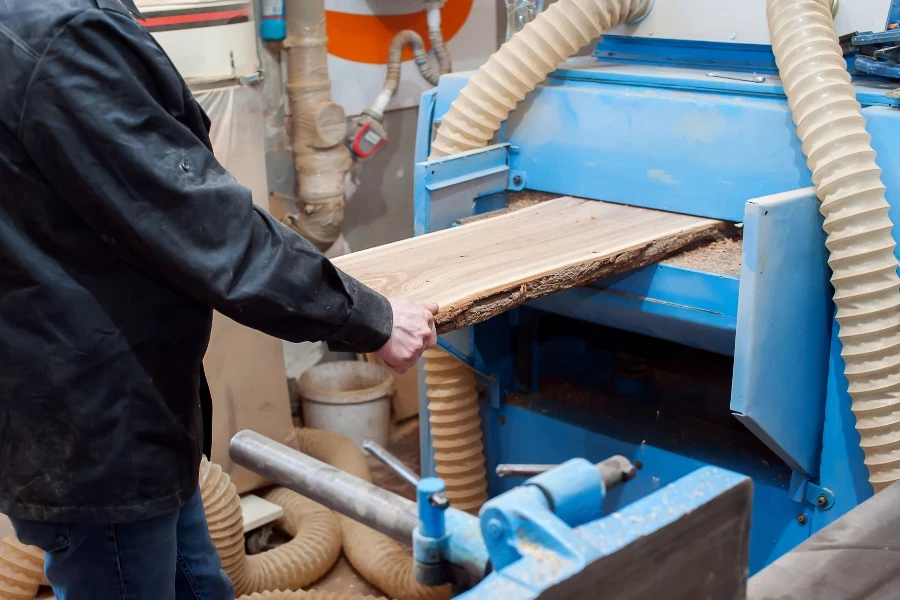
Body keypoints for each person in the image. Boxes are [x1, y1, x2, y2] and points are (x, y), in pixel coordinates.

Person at [0, 0, 438, 597]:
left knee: (199, 582)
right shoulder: (61, 33)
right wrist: (370, 318)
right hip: (97, 419)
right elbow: (201, 223)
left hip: (110, 397)